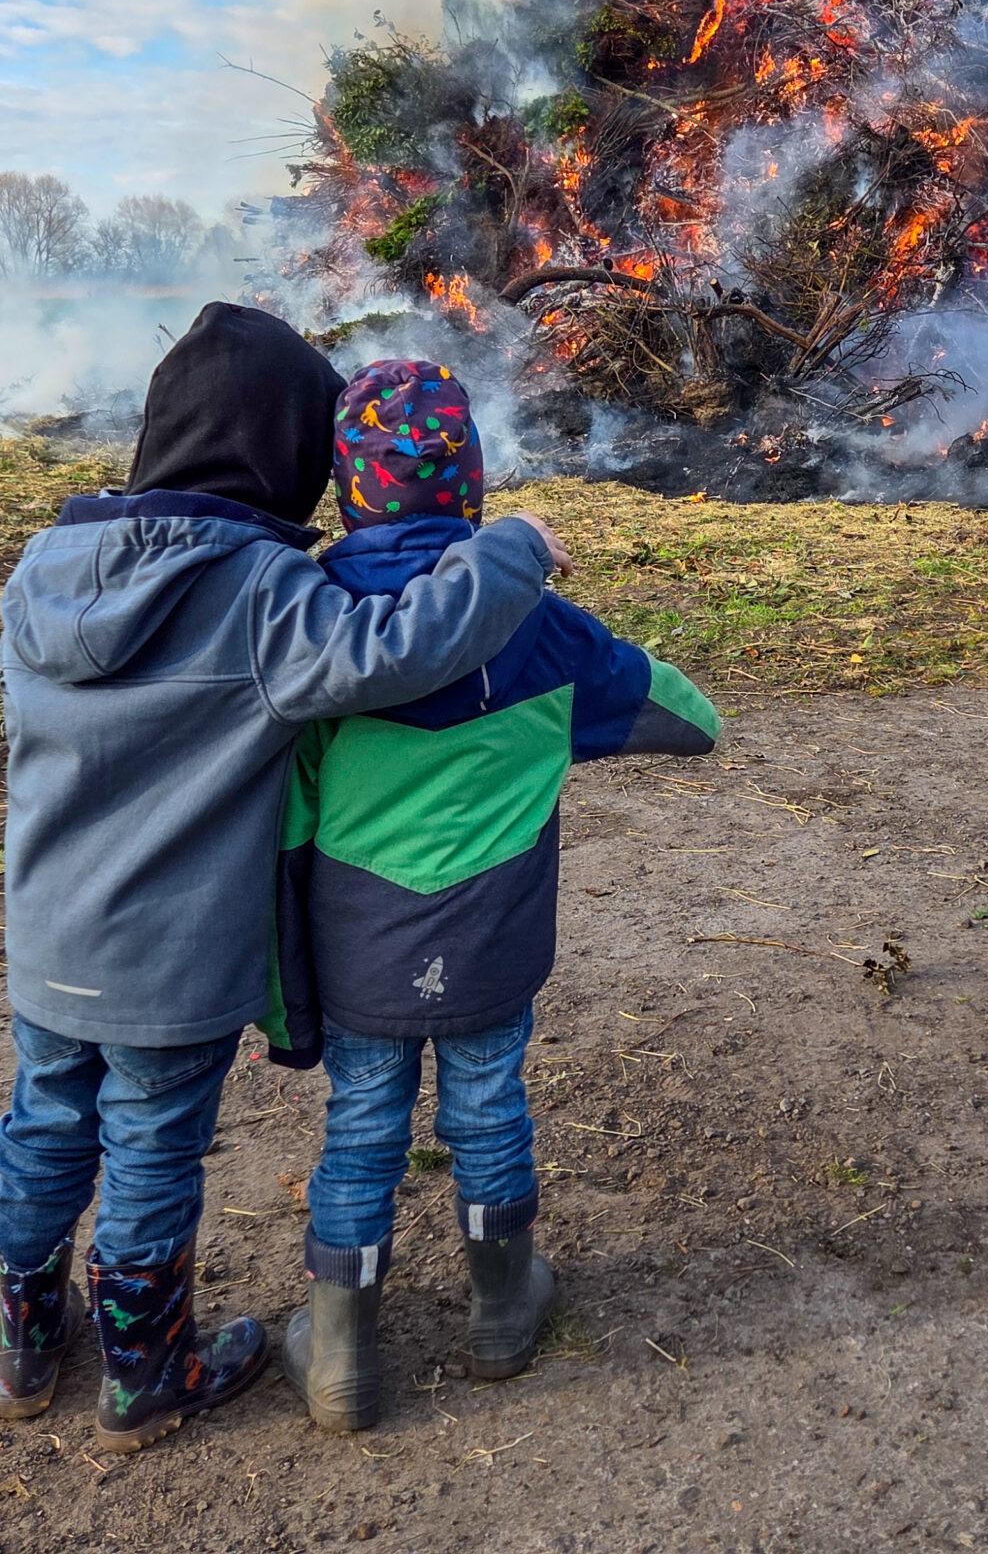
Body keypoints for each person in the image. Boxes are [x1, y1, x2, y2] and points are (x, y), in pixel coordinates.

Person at [0, 303, 569, 1455]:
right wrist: (512, 550)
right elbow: (396, 651)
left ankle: (27, 1341)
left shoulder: (41, 569)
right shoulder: (258, 588)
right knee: (149, 1144)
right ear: (284, 454)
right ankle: (145, 1372)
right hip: (174, 957)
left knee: (43, 1127)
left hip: (45, 940)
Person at [268, 360, 719, 1434]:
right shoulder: (543, 631)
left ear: (347, 489)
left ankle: (338, 1359)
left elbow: (284, 814)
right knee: (487, 1107)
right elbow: (690, 718)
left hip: (356, 948)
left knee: (362, 1125)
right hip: (492, 942)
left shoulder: (317, 627)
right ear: (470, 484)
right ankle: (502, 1317)